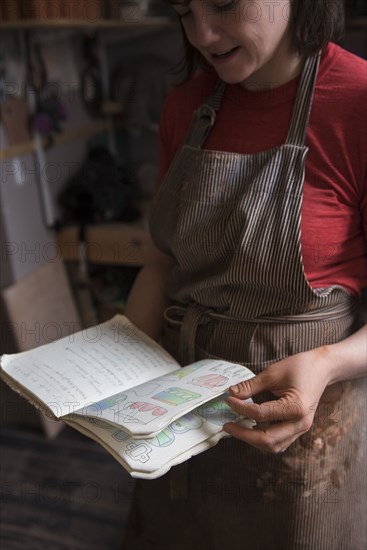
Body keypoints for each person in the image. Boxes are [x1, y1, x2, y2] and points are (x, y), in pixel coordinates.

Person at [123, 1, 367, 548]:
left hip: (303, 437)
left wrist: (327, 363)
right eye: (184, 11)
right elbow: (164, 260)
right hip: (175, 425)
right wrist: (113, 378)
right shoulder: (185, 106)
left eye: (225, 4)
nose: (203, 34)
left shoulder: (357, 101)